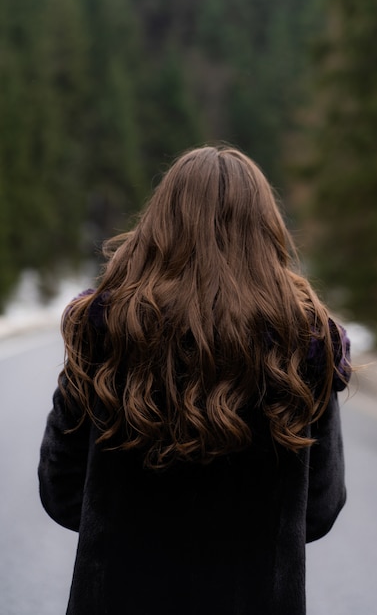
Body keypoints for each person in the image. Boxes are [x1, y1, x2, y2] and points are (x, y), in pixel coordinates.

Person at [38, 145, 351, 615]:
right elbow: (321, 510)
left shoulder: (105, 329)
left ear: (159, 224)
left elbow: (60, 490)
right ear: (265, 231)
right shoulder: (303, 343)